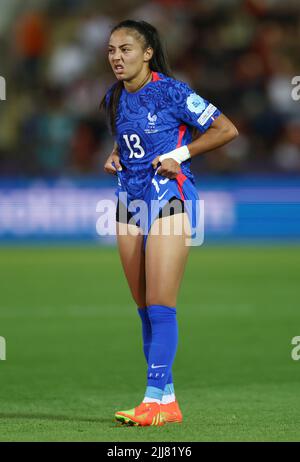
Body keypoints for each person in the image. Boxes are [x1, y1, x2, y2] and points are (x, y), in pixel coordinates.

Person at [100, 19, 238, 427]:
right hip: (128, 200)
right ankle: (168, 401)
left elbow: (226, 129)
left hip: (169, 196)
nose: (116, 57)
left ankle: (152, 400)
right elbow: (129, 136)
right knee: (143, 308)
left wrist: (182, 154)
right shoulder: (114, 96)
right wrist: (114, 155)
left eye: (125, 49)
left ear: (146, 53)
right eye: (110, 50)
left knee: (161, 306)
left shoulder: (173, 91)